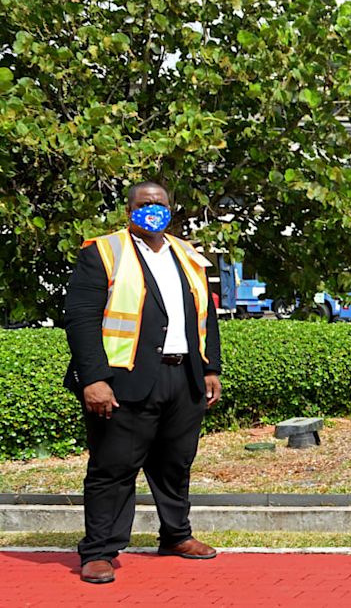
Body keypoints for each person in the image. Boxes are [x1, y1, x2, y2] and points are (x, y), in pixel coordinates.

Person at [64, 181, 222, 584]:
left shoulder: (186, 254)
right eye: (144, 203)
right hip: (123, 380)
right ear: (129, 210)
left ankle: (176, 535)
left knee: (175, 463)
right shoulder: (103, 252)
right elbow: (80, 319)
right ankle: (99, 550)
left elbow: (205, 316)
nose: (153, 209)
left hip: (182, 376)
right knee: (113, 467)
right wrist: (93, 379)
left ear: (171, 207)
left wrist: (210, 368)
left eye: (160, 203)